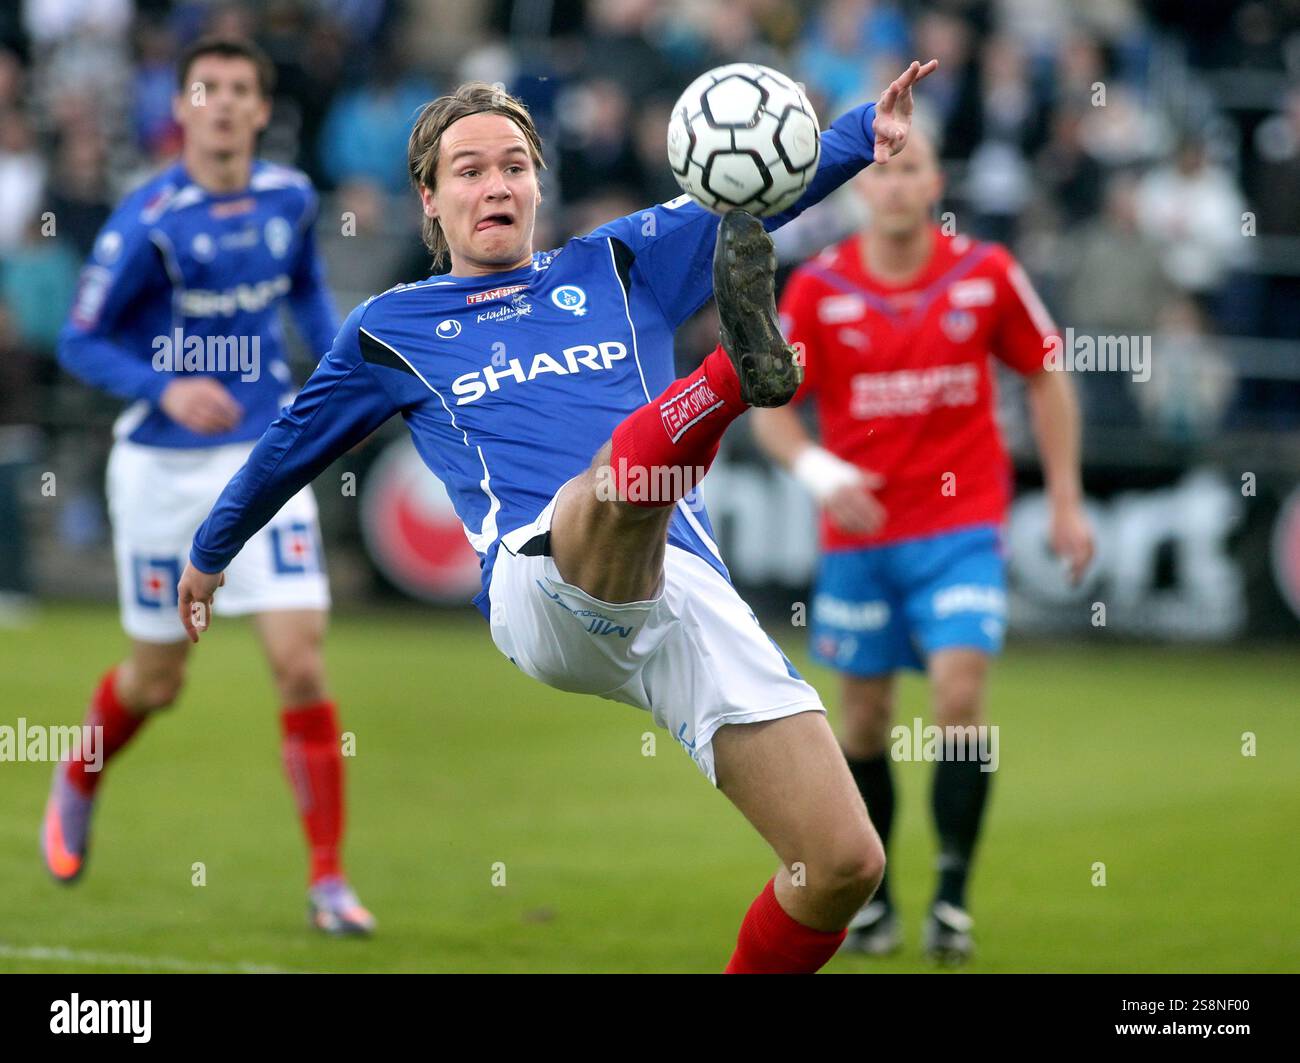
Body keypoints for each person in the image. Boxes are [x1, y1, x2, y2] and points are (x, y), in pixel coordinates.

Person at [178, 60, 939, 974]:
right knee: (612, 482)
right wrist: (209, 551)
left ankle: (724, 382)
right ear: (430, 198)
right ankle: (733, 379)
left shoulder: (616, 261)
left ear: (539, 180)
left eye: (513, 164)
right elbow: (290, 443)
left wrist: (865, 132)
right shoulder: (393, 328)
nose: (495, 184)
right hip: (539, 579)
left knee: (843, 864)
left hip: (682, 586)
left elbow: (757, 191)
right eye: (469, 170)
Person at [48, 37, 374, 936]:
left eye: (241, 90)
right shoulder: (148, 216)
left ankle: (328, 880)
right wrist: (166, 385)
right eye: (208, 89)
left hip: (264, 457)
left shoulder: (290, 197)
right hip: (160, 470)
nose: (224, 104)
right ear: (182, 107)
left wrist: (345, 360)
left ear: (263, 110)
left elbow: (305, 289)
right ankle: (79, 771)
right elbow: (81, 338)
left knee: (300, 658)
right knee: (159, 679)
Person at [751, 126, 1094, 963]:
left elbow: (1047, 370)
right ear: (861, 187)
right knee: (863, 721)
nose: (897, 184)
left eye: (911, 169)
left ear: (935, 179)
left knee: (958, 695)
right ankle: (876, 903)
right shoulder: (819, 288)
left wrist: (1066, 498)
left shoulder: (986, 273)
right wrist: (823, 475)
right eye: (883, 172)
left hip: (962, 525)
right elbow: (771, 407)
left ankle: (951, 895)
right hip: (861, 534)